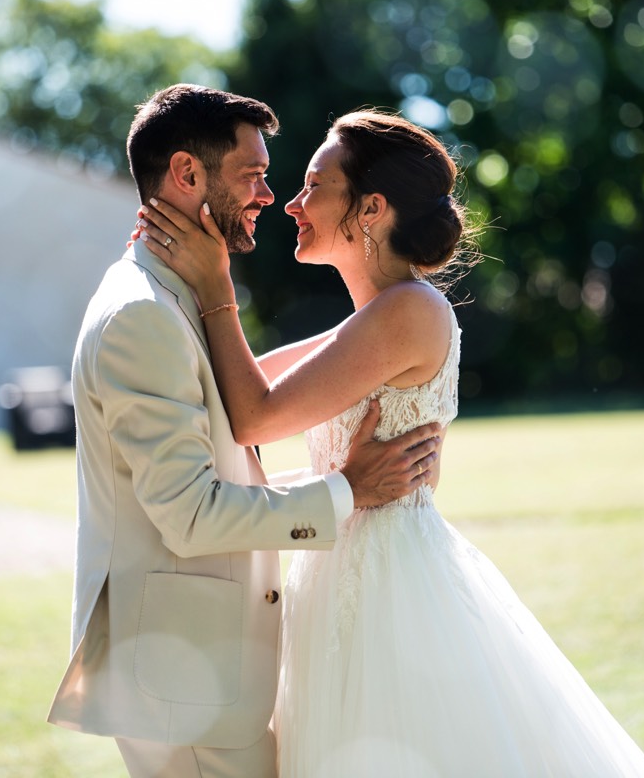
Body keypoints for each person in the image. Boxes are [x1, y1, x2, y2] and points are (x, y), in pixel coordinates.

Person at [138, 109, 644, 776]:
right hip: (339, 573)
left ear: (371, 208)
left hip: (391, 590)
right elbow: (235, 382)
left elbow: (253, 416)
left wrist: (216, 282)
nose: (293, 205)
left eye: (313, 186)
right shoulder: (370, 320)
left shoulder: (410, 312)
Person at [45, 85, 444, 778]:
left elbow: (223, 474)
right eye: (252, 175)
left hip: (204, 674)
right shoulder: (144, 314)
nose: (270, 195)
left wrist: (348, 488)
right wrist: (346, 490)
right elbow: (194, 515)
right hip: (185, 684)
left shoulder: (170, 304)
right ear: (187, 175)